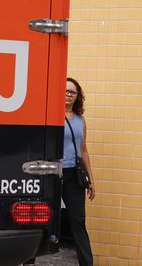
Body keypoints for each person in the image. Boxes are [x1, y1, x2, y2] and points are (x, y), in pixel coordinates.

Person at [61, 77, 95, 266]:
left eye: (72, 92)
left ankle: (87, 263)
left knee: (78, 221)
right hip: (53, 174)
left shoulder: (80, 120)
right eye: (65, 91)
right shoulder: (51, 115)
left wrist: (90, 179)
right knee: (43, 220)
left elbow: (83, 150)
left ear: (77, 96)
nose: (68, 94)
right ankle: (29, 260)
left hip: (74, 175)